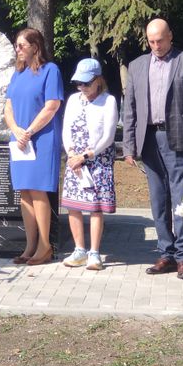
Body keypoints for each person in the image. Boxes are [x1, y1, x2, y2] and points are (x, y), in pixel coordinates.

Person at [122, 18, 183, 280]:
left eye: (160, 40)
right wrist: (129, 146)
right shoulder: (137, 66)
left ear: (170, 36)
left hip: (180, 139)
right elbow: (130, 110)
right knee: (158, 201)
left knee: (181, 200)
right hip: (149, 140)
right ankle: (165, 252)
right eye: (151, 41)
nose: (156, 45)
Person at [4, 28, 63, 266]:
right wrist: (16, 130)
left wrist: (29, 132)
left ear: (35, 47)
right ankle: (29, 245)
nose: (17, 49)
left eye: (21, 45)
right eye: (16, 45)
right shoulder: (18, 74)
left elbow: (52, 106)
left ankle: (44, 246)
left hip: (41, 139)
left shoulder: (50, 70)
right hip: (19, 140)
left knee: (38, 191)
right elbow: (8, 106)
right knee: (25, 192)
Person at [61, 58, 118, 271]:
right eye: (79, 84)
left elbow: (108, 136)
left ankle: (94, 252)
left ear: (98, 80)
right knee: (73, 205)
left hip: (97, 160)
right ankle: (79, 250)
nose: (82, 88)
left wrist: (86, 156)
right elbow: (66, 129)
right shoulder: (74, 100)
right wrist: (72, 154)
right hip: (75, 160)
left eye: (86, 83)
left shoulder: (108, 101)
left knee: (95, 208)